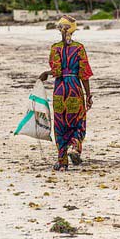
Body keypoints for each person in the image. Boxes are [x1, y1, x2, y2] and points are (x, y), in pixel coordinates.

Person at [39, 16, 93, 171]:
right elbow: (84, 74)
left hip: (60, 89)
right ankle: (75, 146)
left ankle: (62, 161)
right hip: (75, 88)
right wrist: (88, 95)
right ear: (73, 30)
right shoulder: (79, 48)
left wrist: (45, 73)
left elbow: (56, 71)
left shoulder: (55, 48)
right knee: (78, 120)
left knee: (61, 123)